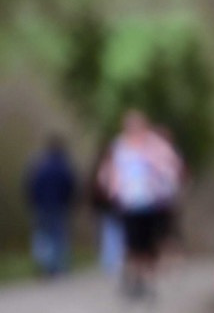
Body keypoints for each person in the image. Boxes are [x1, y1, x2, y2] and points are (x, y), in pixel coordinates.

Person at [99, 108, 185, 299]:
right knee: (131, 244)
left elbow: (172, 168)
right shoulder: (119, 146)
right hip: (129, 204)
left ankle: (147, 280)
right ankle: (135, 279)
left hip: (152, 204)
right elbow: (108, 171)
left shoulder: (156, 146)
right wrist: (112, 191)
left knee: (148, 245)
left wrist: (162, 185)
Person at [24, 133, 78, 277]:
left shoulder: (38, 166)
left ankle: (44, 266)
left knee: (42, 236)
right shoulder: (64, 166)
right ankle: (58, 267)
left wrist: (33, 201)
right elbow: (70, 186)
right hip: (59, 206)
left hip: (41, 206)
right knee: (58, 236)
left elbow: (30, 186)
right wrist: (69, 201)